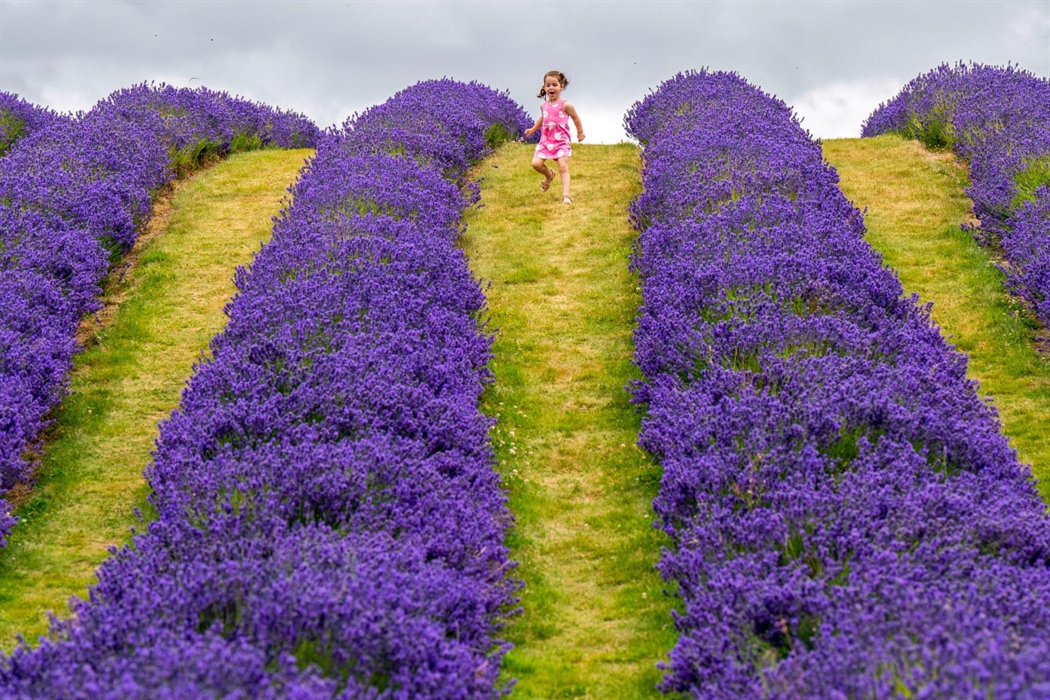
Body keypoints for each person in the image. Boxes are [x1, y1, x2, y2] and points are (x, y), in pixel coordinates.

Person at [524, 70, 585, 204]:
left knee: (563, 166)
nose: (551, 88)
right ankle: (549, 175)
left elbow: (576, 118)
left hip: (561, 141)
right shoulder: (543, 106)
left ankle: (566, 196)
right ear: (544, 87)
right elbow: (543, 118)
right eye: (548, 85)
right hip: (546, 141)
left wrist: (580, 133)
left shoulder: (566, 105)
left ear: (561, 87)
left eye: (554, 85)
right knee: (536, 164)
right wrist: (533, 129)